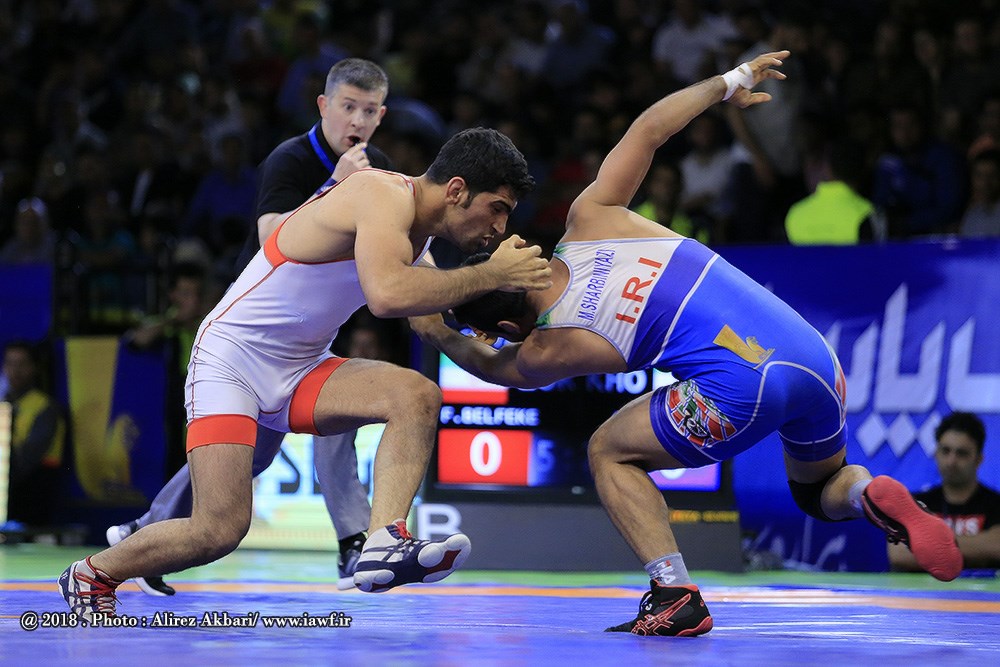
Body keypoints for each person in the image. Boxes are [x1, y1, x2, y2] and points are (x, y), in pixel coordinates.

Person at [409, 51, 963, 637]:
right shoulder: (593, 216)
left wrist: (436, 328)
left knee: (608, 451)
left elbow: (493, 368)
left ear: (508, 327)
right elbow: (650, 128)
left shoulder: (551, 346)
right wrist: (730, 81)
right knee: (821, 489)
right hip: (814, 357)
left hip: (739, 388)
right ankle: (868, 492)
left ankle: (674, 593)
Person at [59, 124, 552, 622]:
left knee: (417, 395)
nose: (500, 228)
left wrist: (524, 367)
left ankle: (383, 542)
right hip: (231, 362)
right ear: (457, 190)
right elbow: (386, 295)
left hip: (300, 368)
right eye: (498, 208)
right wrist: (492, 274)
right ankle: (92, 572)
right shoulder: (380, 193)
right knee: (218, 530)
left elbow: (436, 331)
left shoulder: (414, 238)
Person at [104, 58, 396, 595]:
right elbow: (273, 238)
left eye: (369, 110)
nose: (357, 120)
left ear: (381, 116)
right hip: (255, 332)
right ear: (323, 106)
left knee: (332, 417)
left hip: (312, 333)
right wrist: (335, 185)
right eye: (347, 107)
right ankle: (147, 534)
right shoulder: (291, 159)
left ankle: (354, 541)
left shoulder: (377, 169)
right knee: (245, 455)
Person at [888, 413, 1000, 572]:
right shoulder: (915, 501)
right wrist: (977, 546)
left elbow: (996, 546)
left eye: (962, 453)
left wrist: (925, 545)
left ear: (978, 459)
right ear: (936, 453)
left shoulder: (996, 504)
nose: (951, 461)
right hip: (923, 589)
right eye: (945, 451)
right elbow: (899, 553)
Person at [3, 340, 66, 527]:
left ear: (34, 368)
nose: (15, 371)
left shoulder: (45, 407)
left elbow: (28, 459)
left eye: (22, 364)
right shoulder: (4, 403)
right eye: (10, 364)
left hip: (34, 489)